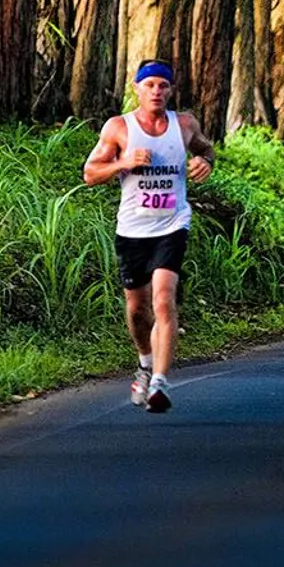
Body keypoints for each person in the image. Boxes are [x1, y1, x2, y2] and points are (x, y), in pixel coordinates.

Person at [83, 59, 215, 413]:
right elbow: (90, 173)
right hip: (132, 229)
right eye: (150, 85)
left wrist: (206, 162)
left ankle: (160, 382)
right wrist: (122, 164)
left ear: (171, 91)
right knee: (138, 309)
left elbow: (205, 147)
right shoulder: (119, 128)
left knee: (162, 299)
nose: (157, 91)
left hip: (172, 224)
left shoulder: (184, 124)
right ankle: (144, 361)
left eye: (163, 86)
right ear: (137, 89)